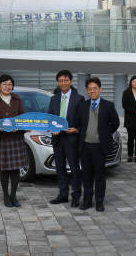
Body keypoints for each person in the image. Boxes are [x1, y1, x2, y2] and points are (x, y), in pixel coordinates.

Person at [77, 77, 120, 212]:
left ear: (100, 89)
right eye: (89, 89)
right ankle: (87, 201)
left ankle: (99, 202)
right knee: (86, 175)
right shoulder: (83, 105)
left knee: (100, 176)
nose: (92, 91)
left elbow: (116, 123)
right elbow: (79, 123)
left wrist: (105, 134)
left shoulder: (108, 105)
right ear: (87, 91)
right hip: (85, 146)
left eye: (95, 88)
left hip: (99, 147)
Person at [0, 74, 28, 208]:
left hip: (17, 138)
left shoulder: (17, 99)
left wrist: (21, 128)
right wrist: (5, 128)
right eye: (4, 84)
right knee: (5, 170)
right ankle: (6, 196)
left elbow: (22, 118)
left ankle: (13, 195)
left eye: (10, 84)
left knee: (16, 170)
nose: (7, 87)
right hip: (4, 140)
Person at [48, 70, 85, 207]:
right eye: (60, 81)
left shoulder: (79, 98)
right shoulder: (54, 99)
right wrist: (52, 128)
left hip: (72, 139)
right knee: (60, 168)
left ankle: (76, 195)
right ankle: (63, 194)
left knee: (75, 168)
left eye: (66, 80)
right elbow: (50, 118)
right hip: (57, 139)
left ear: (70, 81)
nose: (63, 83)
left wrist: (77, 129)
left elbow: (83, 121)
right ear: (58, 82)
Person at [122, 75, 136, 163]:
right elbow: (124, 105)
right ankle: (130, 156)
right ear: (131, 82)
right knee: (131, 138)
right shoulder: (126, 92)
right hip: (130, 119)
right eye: (134, 81)